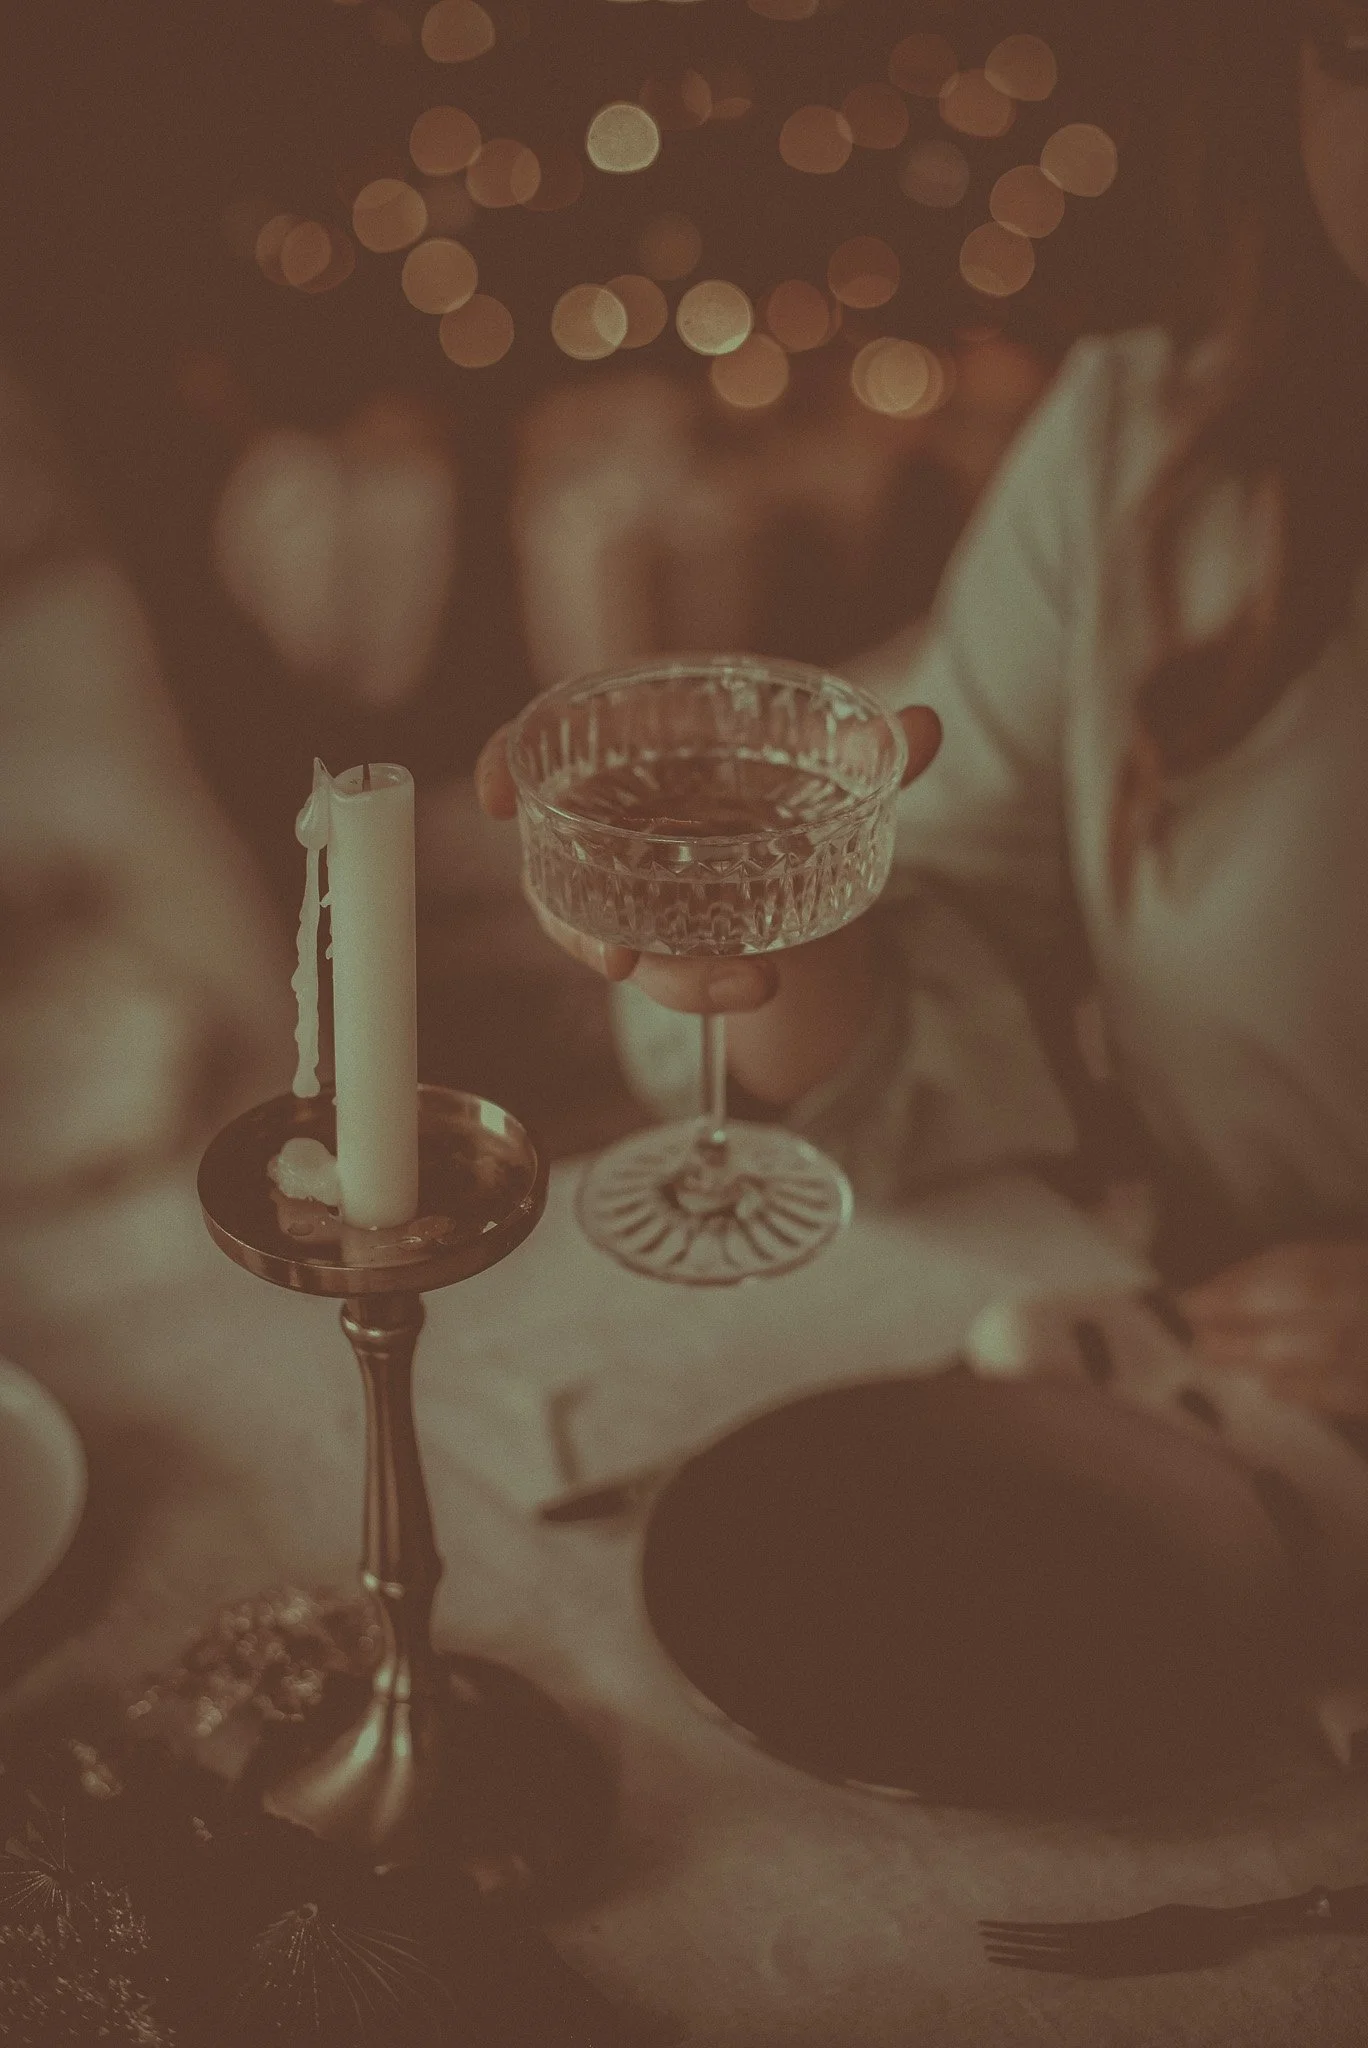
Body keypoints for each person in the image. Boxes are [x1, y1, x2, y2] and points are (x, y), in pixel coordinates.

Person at [478, 1, 1368, 1420]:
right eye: (1354, 55)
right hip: (1220, 1407)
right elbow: (936, 986)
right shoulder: (1147, 461)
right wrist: (777, 917)